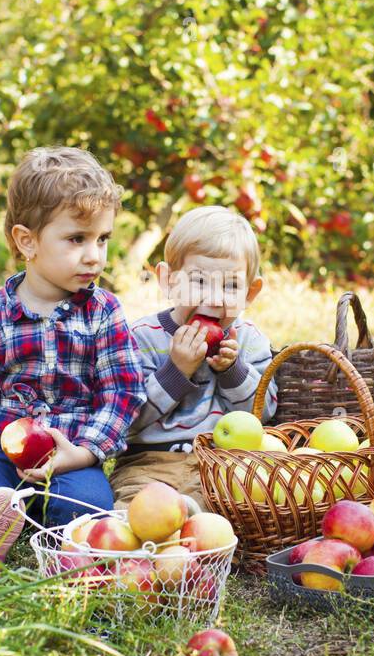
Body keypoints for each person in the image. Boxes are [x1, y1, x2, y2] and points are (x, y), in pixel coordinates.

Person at [0, 147, 145, 572]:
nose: (94, 255)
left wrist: (85, 452)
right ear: (28, 241)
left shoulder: (104, 313)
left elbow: (123, 392)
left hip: (70, 446)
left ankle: (70, 552)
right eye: (77, 239)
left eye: (102, 239)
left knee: (89, 504)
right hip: (0, 447)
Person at [110, 206, 277, 508]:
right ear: (169, 281)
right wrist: (176, 371)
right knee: (137, 511)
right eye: (199, 281)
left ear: (250, 293)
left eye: (231, 286)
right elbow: (126, 420)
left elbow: (264, 412)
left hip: (222, 464)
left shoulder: (248, 339)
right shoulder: (141, 338)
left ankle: (194, 524)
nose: (214, 298)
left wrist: (233, 371)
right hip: (149, 464)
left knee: (242, 508)